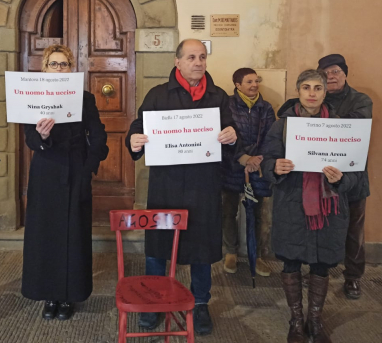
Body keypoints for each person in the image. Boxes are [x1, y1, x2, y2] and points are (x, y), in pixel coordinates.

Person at [126, 39, 237, 336]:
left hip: (204, 185)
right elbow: (139, 127)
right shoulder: (157, 95)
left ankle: (200, 303)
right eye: (191, 57)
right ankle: (153, 302)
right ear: (177, 62)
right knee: (158, 246)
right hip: (167, 185)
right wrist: (134, 140)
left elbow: (231, 132)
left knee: (201, 246)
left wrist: (232, 135)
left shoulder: (219, 97)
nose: (198, 62)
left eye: (202, 57)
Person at [261, 69, 360, 343]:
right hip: (292, 202)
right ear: (298, 91)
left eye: (318, 88)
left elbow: (355, 171)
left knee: (322, 263)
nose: (312, 93)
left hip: (329, 204)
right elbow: (267, 160)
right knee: (291, 261)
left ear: (325, 92)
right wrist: (275, 167)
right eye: (306, 87)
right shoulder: (281, 126)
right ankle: (296, 320)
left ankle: (314, 320)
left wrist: (342, 178)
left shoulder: (341, 126)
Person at [21, 44, 108, 321]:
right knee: (45, 234)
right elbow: (29, 139)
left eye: (64, 64)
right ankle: (50, 294)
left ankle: (70, 294)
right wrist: (43, 138)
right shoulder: (32, 97)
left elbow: (98, 137)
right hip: (45, 171)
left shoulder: (84, 98)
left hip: (75, 171)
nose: (59, 69)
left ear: (71, 69)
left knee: (74, 234)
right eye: (53, 64)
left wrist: (88, 169)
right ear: (44, 68)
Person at [317, 54, 372, 300]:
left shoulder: (361, 100)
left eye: (336, 71)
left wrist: (322, 123)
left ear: (345, 74)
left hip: (353, 176)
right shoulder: (314, 99)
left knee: (354, 231)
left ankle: (353, 278)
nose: (331, 77)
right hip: (320, 178)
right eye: (326, 73)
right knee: (322, 226)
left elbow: (356, 126)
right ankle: (319, 273)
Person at [221, 68, 276, 275]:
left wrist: (257, 160)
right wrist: (242, 157)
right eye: (249, 81)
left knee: (256, 213)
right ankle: (230, 252)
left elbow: (271, 137)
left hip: (257, 166)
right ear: (238, 85)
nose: (254, 85)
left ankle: (257, 254)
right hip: (231, 165)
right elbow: (224, 136)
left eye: (256, 80)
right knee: (229, 211)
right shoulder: (227, 105)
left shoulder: (266, 108)